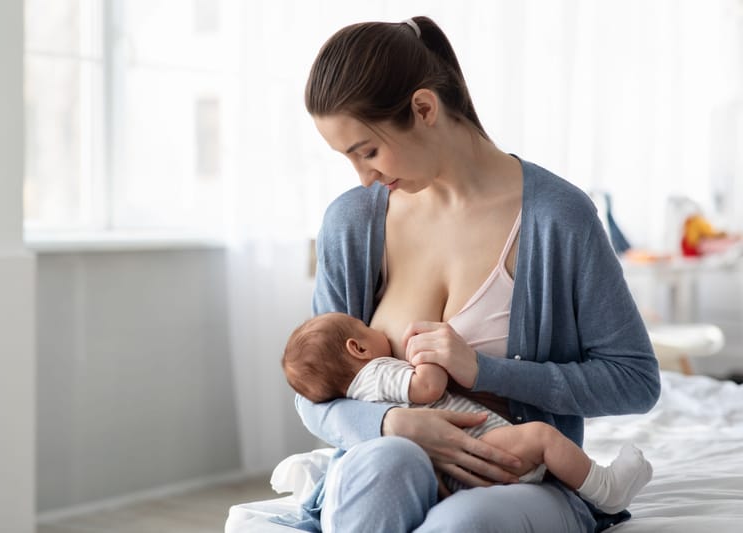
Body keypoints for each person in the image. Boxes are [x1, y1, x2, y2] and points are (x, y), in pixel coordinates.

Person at [292, 15, 661, 533]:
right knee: (386, 462)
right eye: (348, 159)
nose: (364, 177)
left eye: (368, 151)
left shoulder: (558, 218)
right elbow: (315, 392)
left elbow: (634, 381)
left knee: (465, 523)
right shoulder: (351, 222)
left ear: (424, 108)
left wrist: (485, 371)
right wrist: (392, 422)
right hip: (388, 460)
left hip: (517, 482)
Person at [282, 311, 653, 512]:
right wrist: (426, 354)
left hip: (451, 474)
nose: (374, 327)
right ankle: (605, 490)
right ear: (358, 348)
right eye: (366, 327)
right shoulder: (378, 372)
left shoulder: (355, 390)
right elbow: (428, 388)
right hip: (480, 448)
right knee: (542, 437)